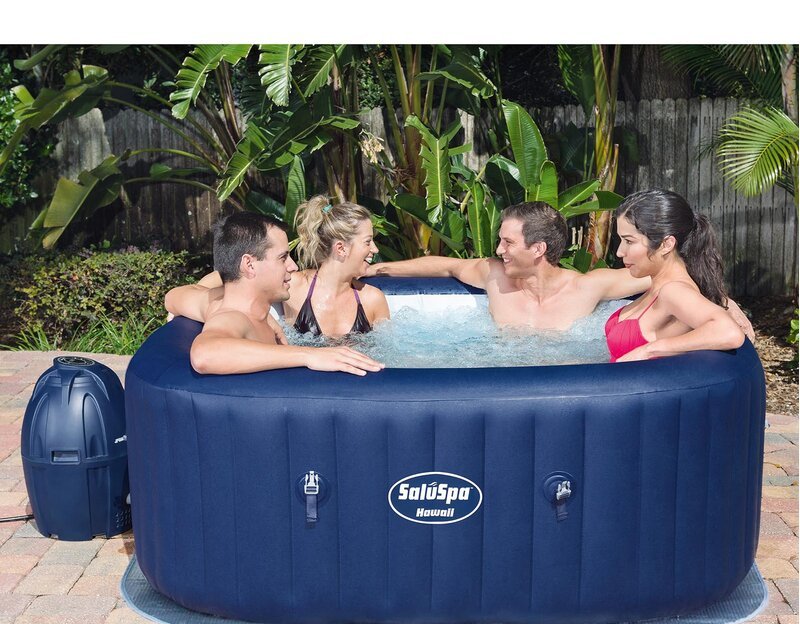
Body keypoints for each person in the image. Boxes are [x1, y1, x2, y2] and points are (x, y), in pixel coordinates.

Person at [362, 200, 754, 339]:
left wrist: (722, 302)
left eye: (507, 242)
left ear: (538, 249)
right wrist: (379, 270)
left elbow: (665, 274)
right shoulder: (494, 276)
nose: (498, 250)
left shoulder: (587, 287)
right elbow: (445, 266)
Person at [164, 212, 384, 376]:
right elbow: (205, 355)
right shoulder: (233, 317)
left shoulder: (217, 303)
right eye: (283, 257)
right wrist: (309, 354)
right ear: (249, 265)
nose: (293, 266)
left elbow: (172, 296)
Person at [604, 189, 745, 362]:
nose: (619, 252)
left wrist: (649, 350)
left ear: (666, 244)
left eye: (629, 241)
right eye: (621, 240)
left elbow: (729, 332)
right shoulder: (658, 285)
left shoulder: (673, 291)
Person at [285, 196, 390, 337]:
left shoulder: (373, 300)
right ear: (341, 248)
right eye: (367, 241)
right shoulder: (293, 286)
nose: (375, 249)